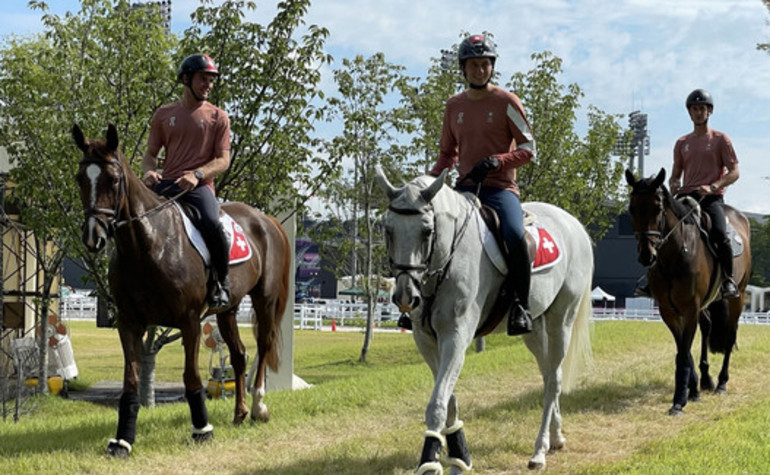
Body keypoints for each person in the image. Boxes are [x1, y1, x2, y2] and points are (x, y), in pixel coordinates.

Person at [429, 34, 536, 335]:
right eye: (474, 65)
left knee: (515, 236)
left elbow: (529, 149)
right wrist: (430, 181)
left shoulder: (506, 101)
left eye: (485, 64)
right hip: (464, 190)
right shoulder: (454, 106)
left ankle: (521, 305)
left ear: (492, 67)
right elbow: (447, 154)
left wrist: (497, 161)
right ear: (463, 69)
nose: (480, 70)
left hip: (500, 190)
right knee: (429, 230)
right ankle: (419, 304)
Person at [141, 53, 232, 308]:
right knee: (131, 219)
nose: (208, 85)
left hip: (199, 189)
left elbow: (224, 160)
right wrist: (149, 172)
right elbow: (150, 154)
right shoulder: (163, 114)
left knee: (213, 224)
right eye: (203, 79)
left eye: (211, 80)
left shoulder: (219, 117)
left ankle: (221, 284)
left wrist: (198, 174)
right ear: (186, 79)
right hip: (166, 185)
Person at [669, 88, 740, 298]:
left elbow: (735, 172)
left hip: (710, 198)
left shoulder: (720, 140)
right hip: (685, 196)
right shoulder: (682, 143)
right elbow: (675, 174)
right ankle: (652, 279)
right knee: (663, 229)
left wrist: (713, 186)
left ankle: (728, 280)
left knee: (718, 232)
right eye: (694, 109)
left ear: (709, 112)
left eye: (702, 108)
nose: (698, 112)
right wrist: (673, 183)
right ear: (689, 113)